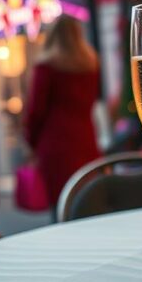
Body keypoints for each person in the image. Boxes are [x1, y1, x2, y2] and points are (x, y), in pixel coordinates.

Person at [24, 15, 101, 209]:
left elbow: (36, 110)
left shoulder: (46, 66)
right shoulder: (90, 64)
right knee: (87, 199)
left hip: (55, 143)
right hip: (86, 138)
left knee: (60, 203)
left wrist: (31, 142)